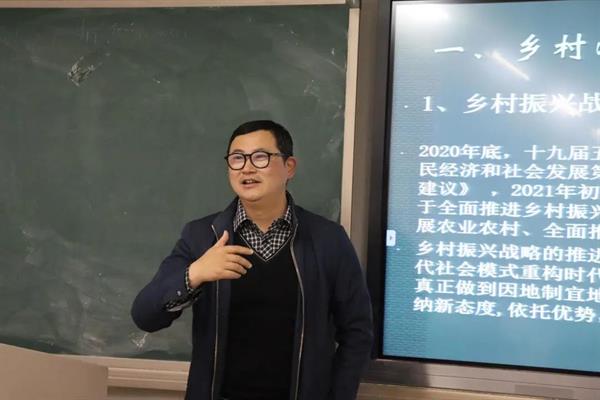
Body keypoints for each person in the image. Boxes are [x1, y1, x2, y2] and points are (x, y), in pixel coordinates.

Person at [131, 120, 373, 400]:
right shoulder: (202, 237)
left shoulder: (327, 240)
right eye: (237, 159)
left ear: (289, 167)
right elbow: (145, 316)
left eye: (260, 157)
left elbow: (357, 332)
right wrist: (194, 274)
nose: (246, 168)